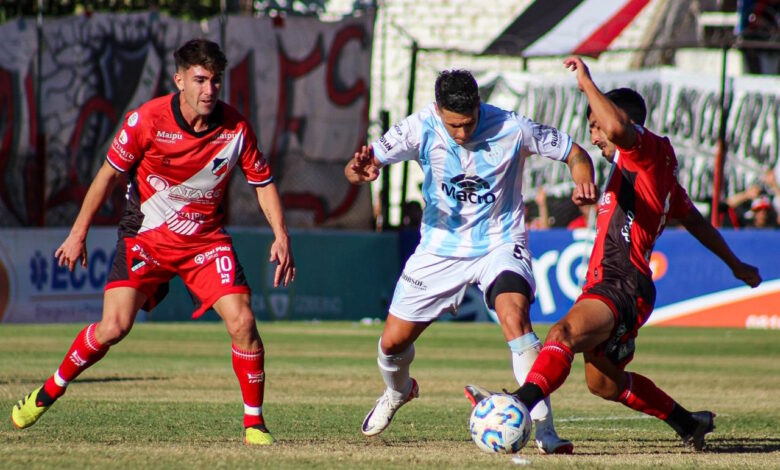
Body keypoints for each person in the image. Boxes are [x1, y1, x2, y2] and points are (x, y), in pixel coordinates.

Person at [467, 56, 762, 452]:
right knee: (603, 384)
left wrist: (587, 83)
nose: (594, 137)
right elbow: (696, 222)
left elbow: (619, 128)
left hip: (619, 283)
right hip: (628, 287)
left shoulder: (646, 150)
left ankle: (516, 405)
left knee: (562, 334)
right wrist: (736, 265)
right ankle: (687, 421)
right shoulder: (656, 174)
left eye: (594, 126)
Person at [10, 39, 295, 446]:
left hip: (204, 242)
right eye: (199, 80)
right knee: (113, 327)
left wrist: (281, 235)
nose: (209, 89)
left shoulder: (236, 129)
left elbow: (263, 185)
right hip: (146, 237)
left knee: (243, 322)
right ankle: (49, 390)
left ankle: (254, 424)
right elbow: (107, 176)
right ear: (179, 80)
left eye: (216, 80)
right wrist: (78, 232)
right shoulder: (145, 120)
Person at [345, 69, 599, 454]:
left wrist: (583, 180)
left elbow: (575, 152)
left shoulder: (513, 128)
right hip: (438, 249)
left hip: (499, 242)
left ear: (480, 107)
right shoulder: (417, 127)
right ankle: (398, 391)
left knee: (516, 319)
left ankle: (545, 430)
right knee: (391, 345)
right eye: (453, 126)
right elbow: (360, 166)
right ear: (438, 110)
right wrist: (359, 172)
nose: (461, 134)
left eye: (468, 124)